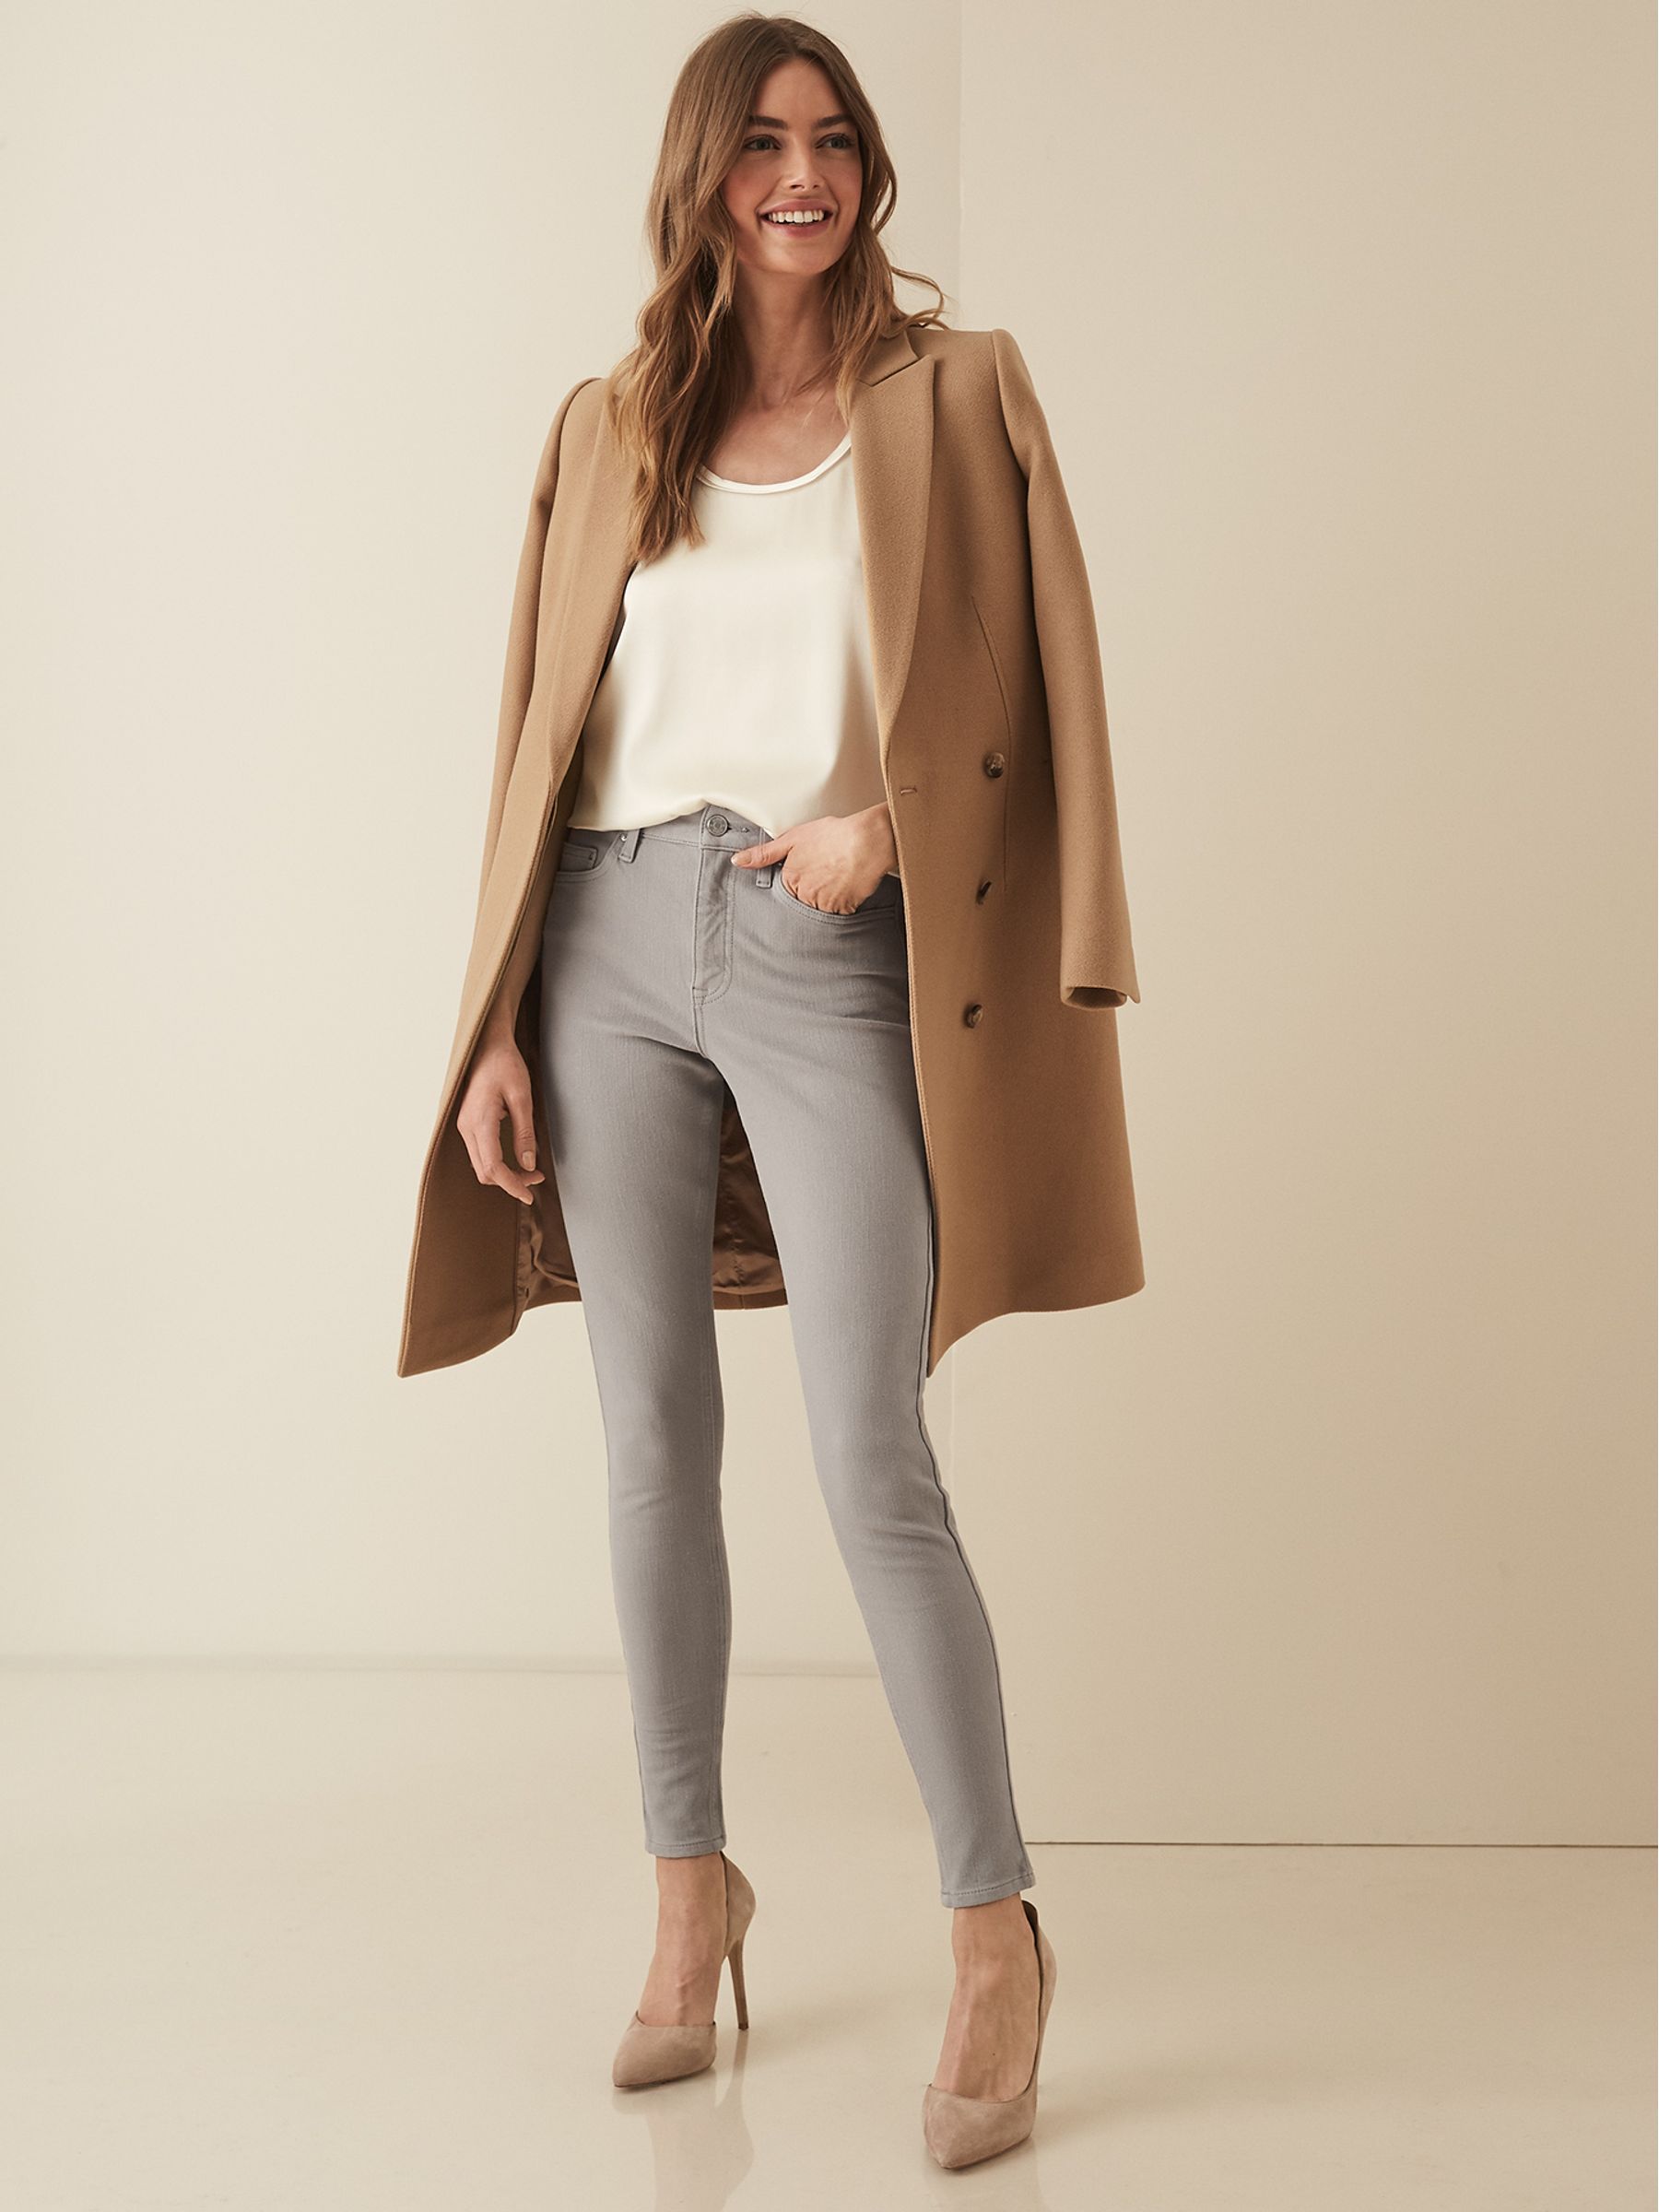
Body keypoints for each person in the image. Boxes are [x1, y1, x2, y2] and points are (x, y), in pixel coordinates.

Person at [418, 12, 1137, 2171]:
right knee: (651, 1442)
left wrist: (887, 832)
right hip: (605, 947)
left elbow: (1031, 691)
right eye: (760, 143)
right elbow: (532, 739)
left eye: (831, 139)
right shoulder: (610, 420)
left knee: (869, 1448)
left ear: (866, 168)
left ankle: (995, 1937)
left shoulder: (959, 394)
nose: (800, 175)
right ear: (701, 177)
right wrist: (493, 1021)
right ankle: (687, 1897)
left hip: (828, 945)